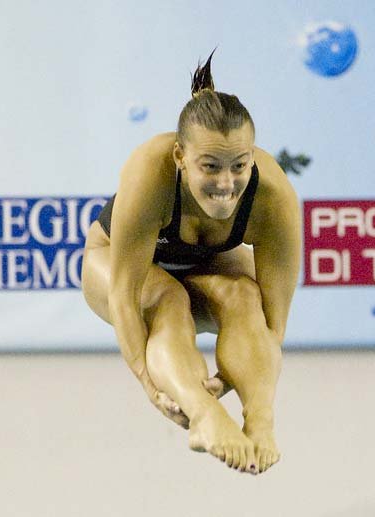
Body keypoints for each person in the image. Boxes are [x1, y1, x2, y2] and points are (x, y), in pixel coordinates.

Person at [81, 51, 300, 475]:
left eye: (239, 165)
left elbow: (272, 325)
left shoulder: (273, 197)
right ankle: (204, 417)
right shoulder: (149, 172)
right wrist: (149, 382)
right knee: (166, 297)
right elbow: (125, 297)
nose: (226, 183)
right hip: (113, 264)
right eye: (210, 167)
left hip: (208, 261)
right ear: (181, 157)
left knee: (242, 294)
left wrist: (248, 389)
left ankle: (259, 424)